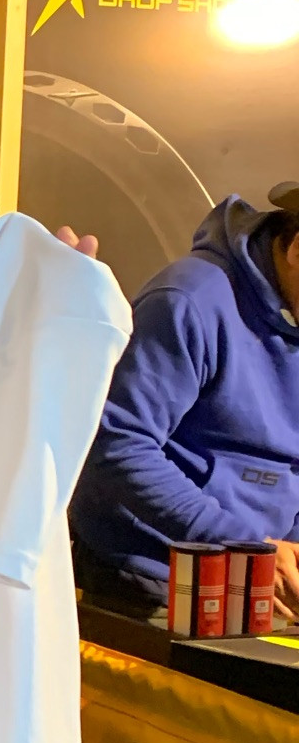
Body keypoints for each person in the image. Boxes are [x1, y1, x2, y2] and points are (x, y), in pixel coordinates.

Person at [71, 184, 299, 621]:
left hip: (260, 583)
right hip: (159, 584)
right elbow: (115, 444)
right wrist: (242, 545)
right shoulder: (188, 301)